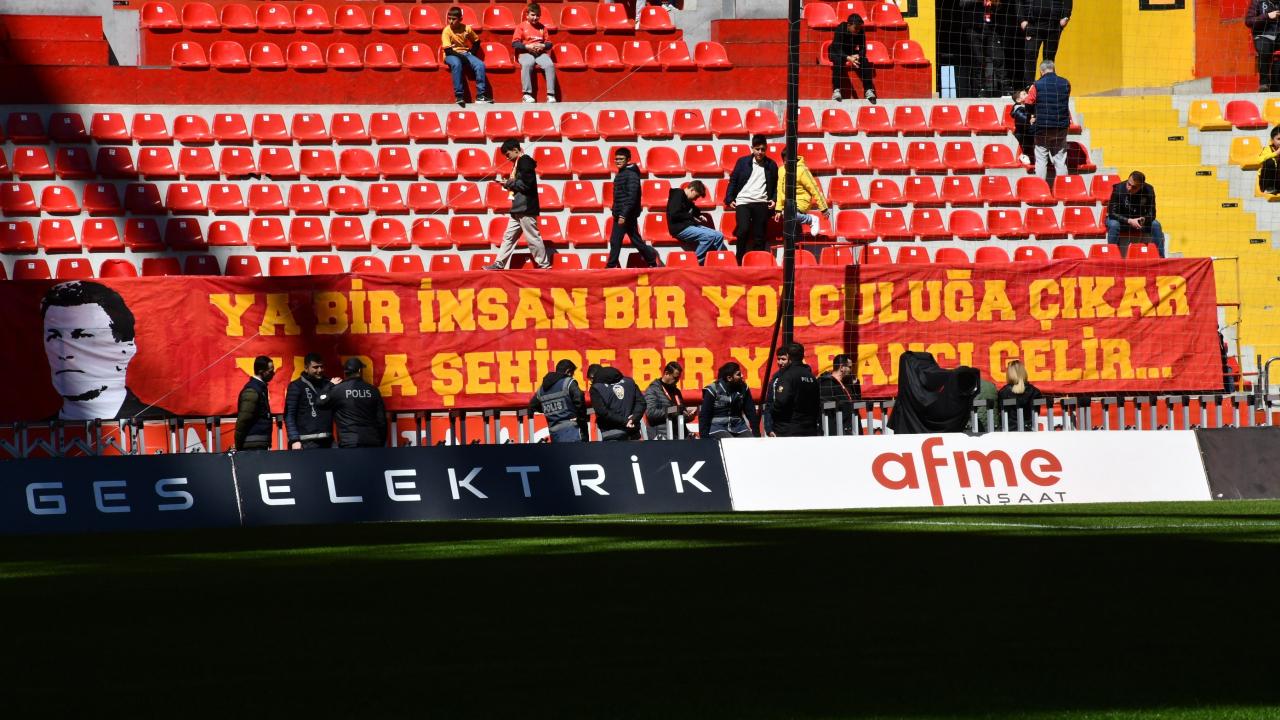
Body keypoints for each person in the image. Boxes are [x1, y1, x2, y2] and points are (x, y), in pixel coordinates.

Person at [40, 280, 173, 421]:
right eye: (54, 336)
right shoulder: (31, 435)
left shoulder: (167, 427)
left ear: (126, 347)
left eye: (84, 335)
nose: (66, 353)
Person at [487, 140, 551, 270]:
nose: (506, 157)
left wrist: (508, 183)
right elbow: (521, 183)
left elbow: (526, 185)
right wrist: (508, 183)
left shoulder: (524, 161)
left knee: (532, 237)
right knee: (508, 237)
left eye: (507, 153)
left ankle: (544, 265)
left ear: (516, 149)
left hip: (526, 207)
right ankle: (499, 263)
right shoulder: (518, 163)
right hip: (518, 208)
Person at [724, 135, 779, 263]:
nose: (760, 152)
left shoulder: (771, 165)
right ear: (752, 148)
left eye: (763, 149)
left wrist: (774, 199)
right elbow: (733, 180)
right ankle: (739, 261)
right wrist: (729, 198)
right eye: (757, 149)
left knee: (759, 235)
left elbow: (776, 185)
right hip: (743, 201)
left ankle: (757, 262)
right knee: (743, 230)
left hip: (761, 202)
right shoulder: (742, 162)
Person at [606, 147, 662, 268]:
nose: (618, 161)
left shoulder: (631, 175)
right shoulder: (621, 173)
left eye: (621, 159)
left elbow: (631, 197)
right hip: (621, 214)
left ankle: (610, 266)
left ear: (628, 160)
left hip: (625, 215)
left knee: (619, 241)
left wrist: (623, 215)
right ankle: (651, 261)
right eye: (616, 159)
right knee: (629, 241)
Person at [316, 358, 387, 448]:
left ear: (345, 372)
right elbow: (381, 420)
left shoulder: (338, 390)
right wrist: (381, 441)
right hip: (372, 441)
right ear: (360, 370)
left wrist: (329, 385)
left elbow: (319, 402)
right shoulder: (373, 390)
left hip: (349, 442)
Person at [1025, 60, 1070, 186]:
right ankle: (1064, 188)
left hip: (1043, 127)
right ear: (1053, 69)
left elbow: (1028, 103)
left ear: (1041, 71)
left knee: (1041, 159)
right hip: (1061, 126)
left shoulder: (1037, 85)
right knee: (1060, 159)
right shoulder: (1065, 83)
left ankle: (1041, 188)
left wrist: (1033, 113)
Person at [961, 0, 1018, 97]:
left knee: (998, 57)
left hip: (991, 28)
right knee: (978, 60)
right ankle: (979, 90)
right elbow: (962, 3)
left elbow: (1000, 6)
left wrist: (994, 3)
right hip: (974, 28)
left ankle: (1006, 88)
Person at [763, 343, 820, 437]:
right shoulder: (812, 377)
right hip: (810, 428)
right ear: (802, 356)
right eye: (779, 359)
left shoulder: (787, 375)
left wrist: (772, 413)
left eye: (783, 359)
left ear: (788, 356)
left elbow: (781, 401)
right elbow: (817, 403)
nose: (780, 362)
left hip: (789, 428)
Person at [1106, 171, 1166, 257]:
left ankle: (1161, 258)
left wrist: (1144, 219)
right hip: (1120, 220)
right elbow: (1112, 213)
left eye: (1134, 187)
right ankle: (1111, 256)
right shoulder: (1118, 188)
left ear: (1141, 186)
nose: (1129, 188)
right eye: (1128, 184)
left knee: (1156, 224)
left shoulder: (1149, 190)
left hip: (1138, 220)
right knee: (1114, 225)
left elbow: (1152, 213)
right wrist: (1129, 221)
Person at [441, 6, 491, 107]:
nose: (450, 21)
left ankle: (480, 96)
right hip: (450, 55)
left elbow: (476, 41)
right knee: (457, 63)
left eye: (453, 19)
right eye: (449, 18)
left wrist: (471, 53)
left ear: (460, 19)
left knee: (480, 64)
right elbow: (448, 50)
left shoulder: (467, 28)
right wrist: (462, 57)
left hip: (465, 53)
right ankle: (459, 96)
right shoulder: (446, 30)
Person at [666, 180, 727, 263]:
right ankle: (695, 262)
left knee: (719, 235)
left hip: (689, 226)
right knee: (709, 236)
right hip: (679, 228)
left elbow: (693, 209)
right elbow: (674, 214)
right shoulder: (678, 194)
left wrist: (698, 215)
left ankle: (710, 261)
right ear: (692, 190)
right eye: (696, 196)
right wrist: (691, 217)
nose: (696, 199)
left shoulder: (687, 199)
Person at [529, 359, 588, 442]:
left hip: (554, 434)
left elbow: (532, 406)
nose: (572, 376)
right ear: (568, 371)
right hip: (573, 432)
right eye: (572, 373)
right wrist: (580, 419)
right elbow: (580, 399)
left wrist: (549, 409)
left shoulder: (541, 390)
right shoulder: (568, 383)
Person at [773, 149, 831, 234]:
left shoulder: (802, 170)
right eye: (784, 160)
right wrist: (778, 209)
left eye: (788, 160)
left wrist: (823, 207)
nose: (786, 162)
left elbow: (814, 188)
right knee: (789, 219)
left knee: (789, 214)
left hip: (801, 201)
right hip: (787, 203)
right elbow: (780, 191)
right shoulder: (781, 170)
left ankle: (811, 219)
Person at [284, 352, 333, 450]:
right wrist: (294, 440)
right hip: (306, 442)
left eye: (321, 366)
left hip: (328, 441)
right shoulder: (296, 386)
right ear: (306, 368)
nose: (319, 370)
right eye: (315, 367)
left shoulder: (328, 384)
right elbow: (289, 415)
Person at [699, 362, 759, 438]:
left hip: (739, 427)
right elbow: (704, 415)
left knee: (751, 442)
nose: (742, 376)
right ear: (729, 378)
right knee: (730, 442)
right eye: (738, 374)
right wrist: (704, 438)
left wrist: (756, 434)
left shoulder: (743, 387)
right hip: (717, 428)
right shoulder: (713, 389)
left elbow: (751, 411)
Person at [1018, 0, 1071, 86]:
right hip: (1032, 24)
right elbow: (1018, 2)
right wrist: (1022, 20)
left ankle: (1047, 87)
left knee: (1049, 58)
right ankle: (1029, 87)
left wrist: (1066, 17)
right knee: (1030, 55)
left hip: (1053, 25)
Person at [587, 363, 645, 441]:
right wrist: (633, 418)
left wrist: (625, 421)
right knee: (634, 453)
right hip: (633, 430)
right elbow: (641, 403)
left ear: (594, 377)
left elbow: (602, 412)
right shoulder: (629, 382)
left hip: (612, 433)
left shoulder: (596, 388)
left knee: (615, 453)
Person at [513, 3, 557, 104]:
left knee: (549, 65)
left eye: (537, 15)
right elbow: (515, 43)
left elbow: (549, 43)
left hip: (540, 53)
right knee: (528, 63)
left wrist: (543, 46)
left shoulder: (542, 27)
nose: (535, 17)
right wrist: (527, 46)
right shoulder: (521, 26)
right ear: (527, 15)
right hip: (525, 53)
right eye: (532, 15)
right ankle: (526, 94)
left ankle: (551, 95)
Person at [828, 13, 877, 104]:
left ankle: (868, 90)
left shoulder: (860, 31)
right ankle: (836, 90)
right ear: (849, 25)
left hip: (851, 52)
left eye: (859, 28)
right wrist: (848, 58)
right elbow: (837, 47)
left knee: (865, 61)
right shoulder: (840, 29)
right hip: (836, 51)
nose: (858, 30)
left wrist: (858, 56)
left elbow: (862, 48)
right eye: (856, 28)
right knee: (838, 61)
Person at [643, 362, 695, 440]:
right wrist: (674, 409)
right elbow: (651, 413)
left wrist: (689, 416)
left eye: (678, 378)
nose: (677, 381)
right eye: (675, 378)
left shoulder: (676, 391)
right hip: (661, 437)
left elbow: (679, 412)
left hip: (679, 436)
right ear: (666, 373)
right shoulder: (653, 390)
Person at [235, 355, 275, 452]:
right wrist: (238, 445)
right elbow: (243, 420)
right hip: (252, 446)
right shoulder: (252, 391)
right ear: (261, 372)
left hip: (258, 443)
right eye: (270, 371)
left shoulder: (260, 389)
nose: (273, 374)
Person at [817, 353, 860, 435]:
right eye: (849, 367)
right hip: (835, 432)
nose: (851, 370)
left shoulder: (846, 384)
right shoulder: (827, 384)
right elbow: (828, 410)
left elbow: (855, 403)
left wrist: (856, 386)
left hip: (847, 429)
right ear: (841, 367)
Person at [997, 359, 1043, 432]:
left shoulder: (1003, 392)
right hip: (1030, 431)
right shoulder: (1035, 391)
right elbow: (1036, 413)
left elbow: (1000, 413)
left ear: (1009, 374)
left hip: (1009, 432)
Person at [1247, 0, 1280, 92]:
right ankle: (1264, 84)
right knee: (1264, 49)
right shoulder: (1257, 2)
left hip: (1278, 35)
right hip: (1262, 35)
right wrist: (1268, 16)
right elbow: (1249, 21)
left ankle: (1275, 87)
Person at [1011, 86, 1036, 165]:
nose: (1027, 95)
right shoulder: (1018, 109)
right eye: (1024, 94)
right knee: (1027, 145)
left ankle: (1029, 156)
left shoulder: (1028, 107)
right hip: (1022, 133)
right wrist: (1031, 118)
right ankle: (1023, 155)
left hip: (1028, 131)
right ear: (1018, 100)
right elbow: (1025, 119)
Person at [1258, 125, 1280, 195]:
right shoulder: (1267, 149)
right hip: (1266, 181)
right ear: (1272, 140)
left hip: (1278, 182)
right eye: (1279, 139)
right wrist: (1276, 153)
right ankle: (1268, 189)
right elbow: (1259, 160)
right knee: (1270, 161)